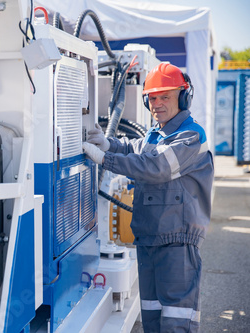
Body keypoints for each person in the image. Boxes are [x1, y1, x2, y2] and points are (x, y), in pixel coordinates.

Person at [82, 62, 214, 332]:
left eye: (165, 96)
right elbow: (135, 147)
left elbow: (156, 167)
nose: (157, 104)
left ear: (183, 97)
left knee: (177, 320)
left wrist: (105, 159)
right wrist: (109, 143)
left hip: (176, 243)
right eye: (152, 98)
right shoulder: (157, 133)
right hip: (149, 240)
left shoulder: (190, 135)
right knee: (152, 318)